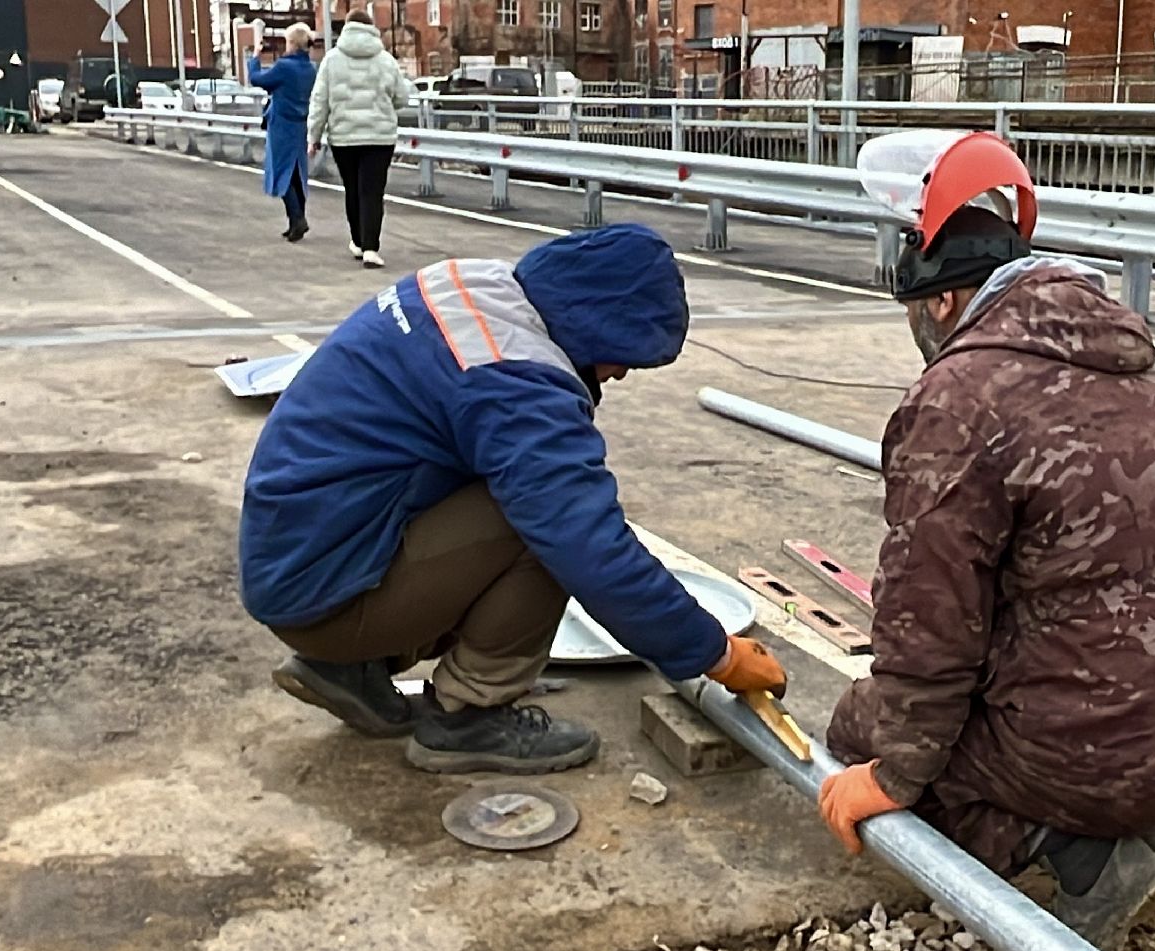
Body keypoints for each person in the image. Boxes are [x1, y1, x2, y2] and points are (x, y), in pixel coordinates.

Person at [816, 176, 1155, 948]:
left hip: (1113, 742)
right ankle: (1133, 817)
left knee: (864, 731)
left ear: (939, 304)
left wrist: (891, 773)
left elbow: (927, 617)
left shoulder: (956, 395)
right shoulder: (1126, 361)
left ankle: (1082, 851)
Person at [239, 223, 787, 774]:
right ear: (599, 322)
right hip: (327, 591)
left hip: (304, 559)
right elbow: (590, 548)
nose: (620, 373)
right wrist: (714, 653)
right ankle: (466, 716)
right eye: (627, 354)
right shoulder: (515, 381)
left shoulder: (474, 285)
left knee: (527, 494)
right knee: (550, 530)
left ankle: (352, 670)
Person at [307, 7, 409, 269]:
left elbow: (320, 101)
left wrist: (314, 136)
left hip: (344, 137)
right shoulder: (386, 60)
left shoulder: (331, 60)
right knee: (372, 191)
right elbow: (402, 98)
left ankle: (358, 240)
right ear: (371, 28)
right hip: (379, 136)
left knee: (353, 189)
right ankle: (371, 248)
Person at [248, 22, 317, 243]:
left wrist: (255, 57)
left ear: (293, 44)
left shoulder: (285, 67)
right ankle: (296, 221)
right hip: (301, 125)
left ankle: (297, 219)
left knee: (282, 173)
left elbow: (257, 79)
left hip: (282, 125)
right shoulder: (311, 68)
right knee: (297, 173)